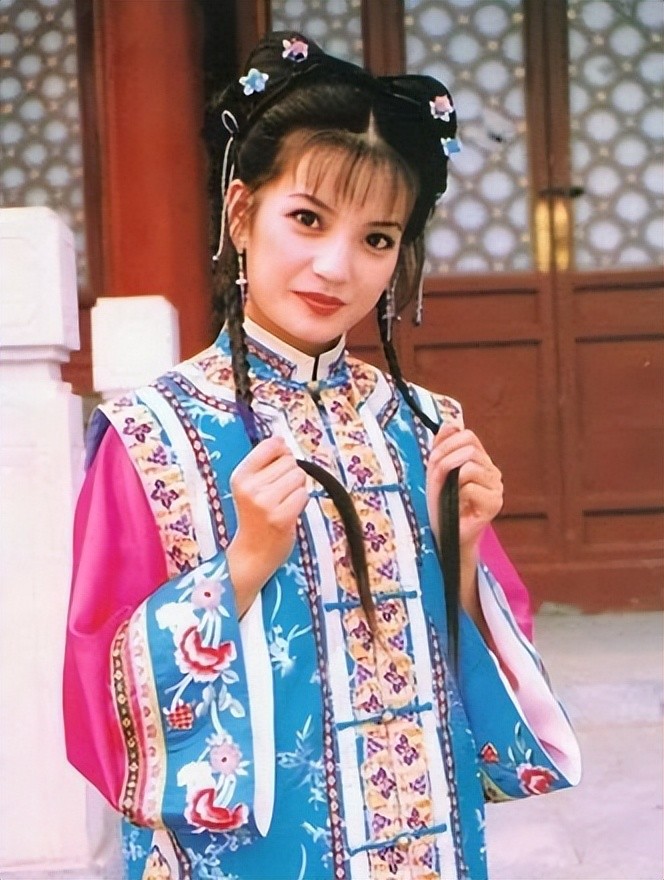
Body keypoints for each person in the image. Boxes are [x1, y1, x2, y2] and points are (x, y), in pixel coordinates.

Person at [64, 32, 578, 880]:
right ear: (241, 212)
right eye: (307, 219)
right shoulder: (151, 436)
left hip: (427, 844)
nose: (336, 267)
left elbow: (495, 700)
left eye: (377, 239)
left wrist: (463, 553)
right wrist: (241, 566)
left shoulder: (426, 428)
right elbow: (99, 696)